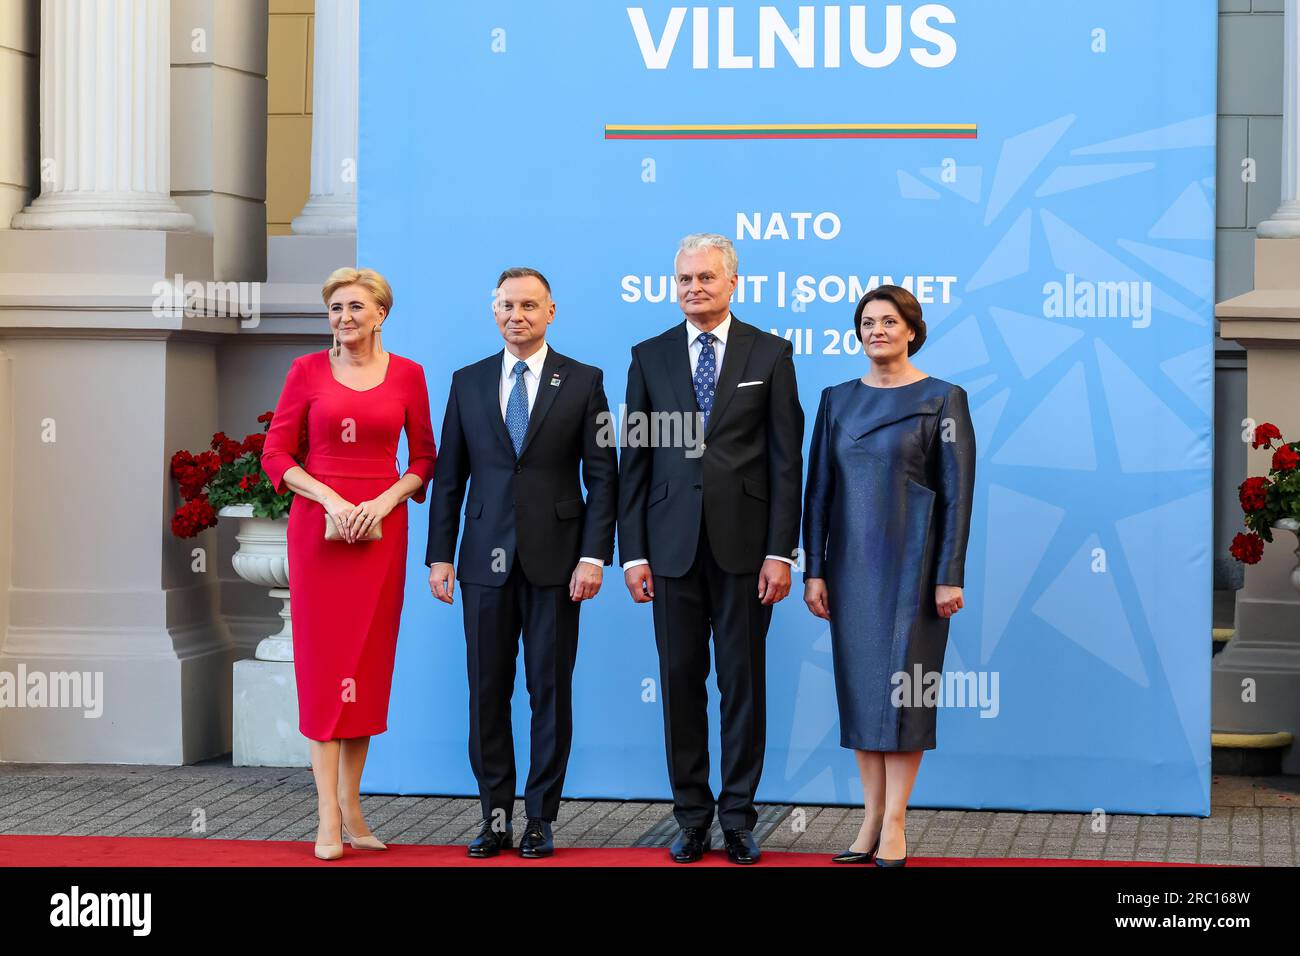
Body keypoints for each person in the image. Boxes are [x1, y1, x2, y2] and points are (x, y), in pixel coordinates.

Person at [618, 233, 804, 864]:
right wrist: (633, 553)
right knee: (679, 684)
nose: (694, 288)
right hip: (668, 551)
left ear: (732, 283)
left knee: (742, 685)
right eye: (685, 279)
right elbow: (634, 463)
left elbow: (786, 463)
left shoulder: (771, 354)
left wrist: (782, 551)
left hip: (747, 554)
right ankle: (692, 817)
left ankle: (739, 818)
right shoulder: (648, 357)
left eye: (706, 278)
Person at [426, 267, 618, 859]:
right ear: (494, 312)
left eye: (529, 305)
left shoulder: (585, 381)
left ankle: (540, 817)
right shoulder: (468, 381)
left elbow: (602, 475)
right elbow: (449, 478)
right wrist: (439, 555)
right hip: (482, 562)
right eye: (508, 305)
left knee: (549, 692)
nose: (518, 315)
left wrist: (593, 556)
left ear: (551, 312)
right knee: (486, 691)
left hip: (558, 566)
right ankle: (495, 816)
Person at [261, 267, 437, 861]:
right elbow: (276, 453)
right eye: (335, 308)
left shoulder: (409, 374)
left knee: (365, 664)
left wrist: (383, 501)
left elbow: (424, 457)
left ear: (380, 313)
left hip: (381, 534)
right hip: (320, 530)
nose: (344, 318)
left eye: (355, 307)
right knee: (324, 666)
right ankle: (326, 816)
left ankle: (354, 804)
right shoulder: (306, 371)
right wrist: (333, 500)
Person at [802, 284, 976, 867]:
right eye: (868, 322)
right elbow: (818, 495)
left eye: (888, 321)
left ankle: (897, 820)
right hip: (850, 572)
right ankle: (871, 815)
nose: (877, 330)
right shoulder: (835, 400)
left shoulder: (944, 399)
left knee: (906, 693)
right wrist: (814, 571)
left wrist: (948, 574)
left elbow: (957, 496)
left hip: (916, 569)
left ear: (911, 329)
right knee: (860, 692)